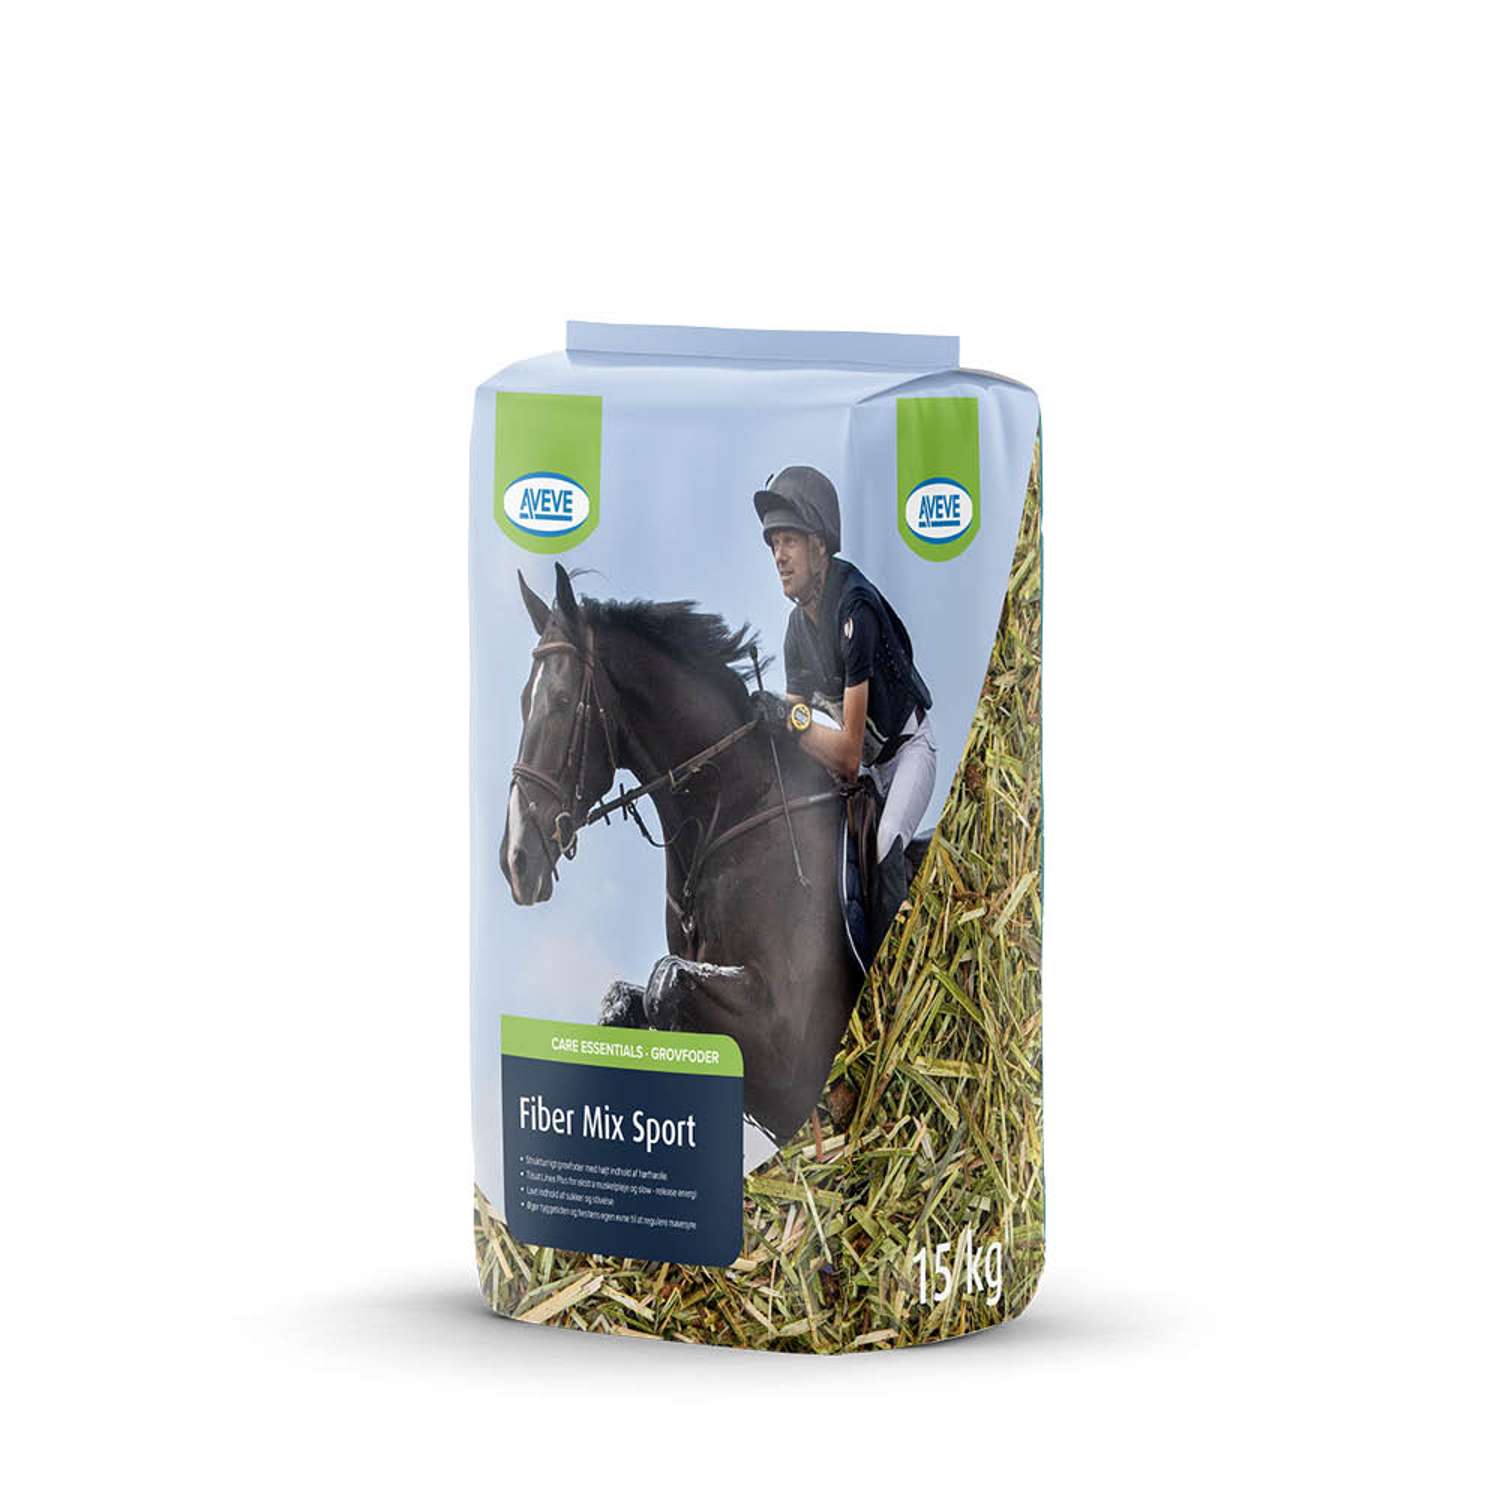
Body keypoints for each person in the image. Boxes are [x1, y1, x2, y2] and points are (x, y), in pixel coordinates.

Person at [749, 465, 937, 928]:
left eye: (789, 541)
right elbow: (798, 736)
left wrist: (787, 720)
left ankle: (898, 961)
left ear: (819, 545)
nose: (779, 557)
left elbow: (847, 754)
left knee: (885, 845)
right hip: (870, 769)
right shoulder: (796, 631)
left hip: (907, 753)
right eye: (773, 545)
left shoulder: (856, 607)